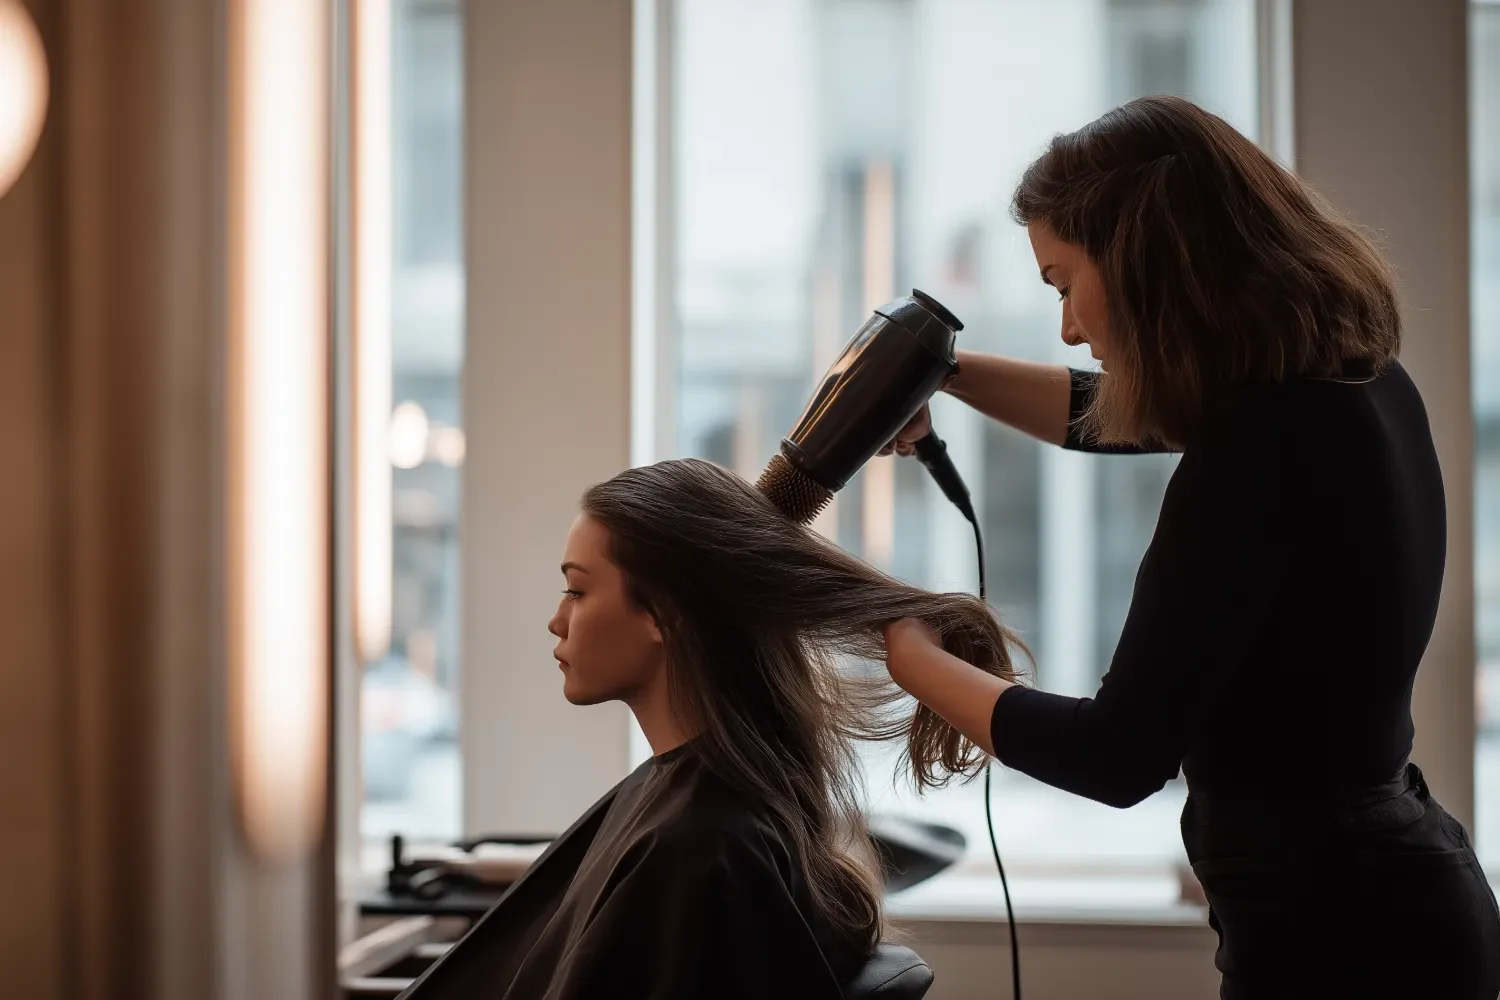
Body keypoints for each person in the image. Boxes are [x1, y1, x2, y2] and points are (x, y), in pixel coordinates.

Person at [881, 95, 1500, 999]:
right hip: (1394, 900)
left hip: (1347, 942)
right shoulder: (1346, 387)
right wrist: (943, 371)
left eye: (1063, 285)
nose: (1068, 326)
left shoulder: (1257, 446)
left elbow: (1117, 755)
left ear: (1142, 260)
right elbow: (1110, 417)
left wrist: (910, 657)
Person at [399, 458, 1022, 1000]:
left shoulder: (698, 842)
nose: (557, 622)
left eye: (578, 592)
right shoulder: (714, 810)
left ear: (664, 614)